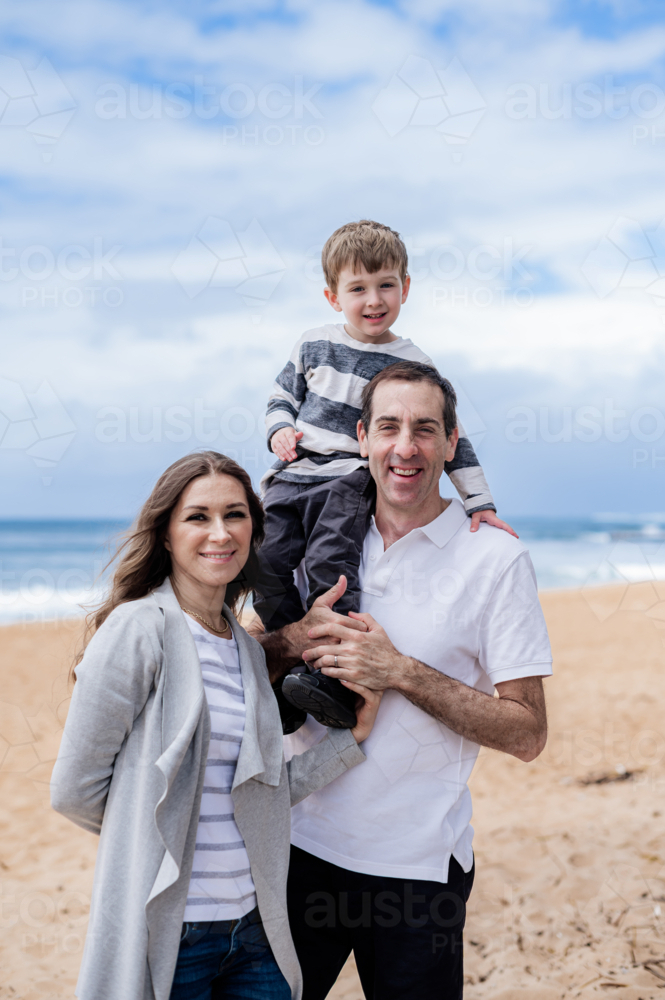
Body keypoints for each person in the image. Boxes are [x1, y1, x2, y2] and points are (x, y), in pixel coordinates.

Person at [256, 363, 553, 999]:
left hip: (417, 873)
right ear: (362, 436)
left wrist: (400, 672)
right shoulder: (319, 530)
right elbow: (247, 661)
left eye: (425, 429)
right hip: (296, 850)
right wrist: (291, 640)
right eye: (388, 426)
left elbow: (528, 732)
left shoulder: (496, 560)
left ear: (451, 443)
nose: (405, 446)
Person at [50, 451, 381, 1000]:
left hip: (256, 934)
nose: (220, 533)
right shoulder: (140, 629)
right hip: (173, 937)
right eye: (198, 517)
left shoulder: (245, 650)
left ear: (255, 528)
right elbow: (74, 790)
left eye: (235, 515)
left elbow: (263, 792)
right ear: (165, 534)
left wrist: (351, 741)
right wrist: (150, 842)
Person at [253, 219, 516, 727]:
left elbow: (449, 436)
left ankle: (328, 679)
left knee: (333, 573)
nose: (373, 300)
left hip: (347, 484)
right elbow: (280, 397)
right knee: (264, 567)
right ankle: (290, 674)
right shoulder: (312, 345)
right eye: (358, 289)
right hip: (292, 476)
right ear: (333, 297)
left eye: (386, 286)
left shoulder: (413, 362)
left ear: (406, 288)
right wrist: (278, 430)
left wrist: (479, 502)